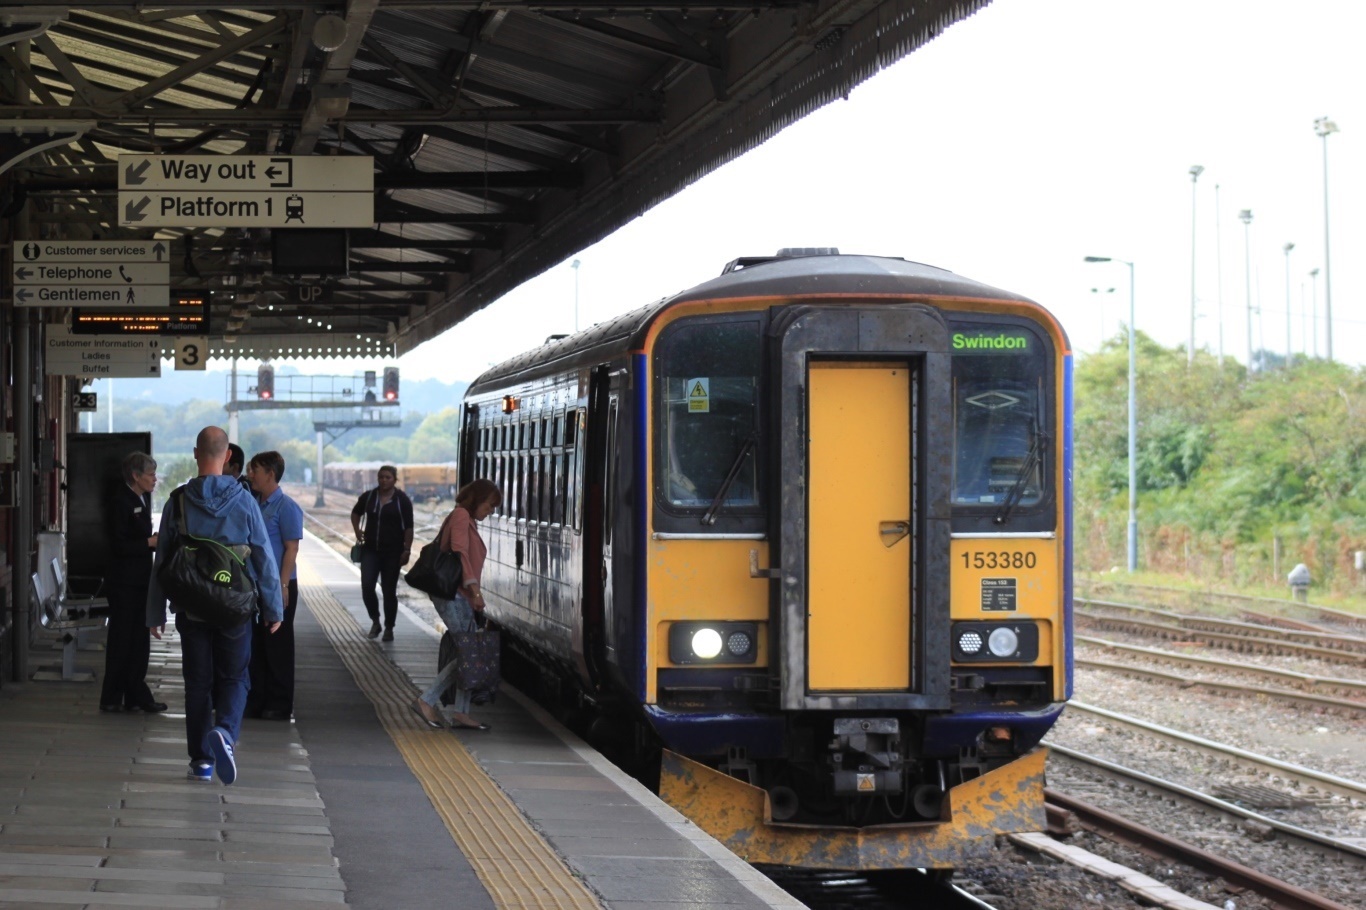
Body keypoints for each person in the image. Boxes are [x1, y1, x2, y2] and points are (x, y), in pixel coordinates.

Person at [146, 427, 284, 786]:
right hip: (235, 607)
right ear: (226, 458)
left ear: (196, 453)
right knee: (236, 677)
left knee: (197, 684)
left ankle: (201, 763)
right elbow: (265, 560)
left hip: (191, 607)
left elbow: (162, 563)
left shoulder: (176, 500)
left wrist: (154, 611)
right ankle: (225, 731)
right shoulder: (244, 501)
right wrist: (273, 608)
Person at [410, 479, 501, 732]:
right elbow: (460, 554)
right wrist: (475, 590)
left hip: (461, 595)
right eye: (489, 505)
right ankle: (426, 700)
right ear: (477, 499)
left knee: (468, 649)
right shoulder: (461, 516)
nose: (490, 511)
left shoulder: (467, 519)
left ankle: (462, 713)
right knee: (467, 651)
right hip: (453, 594)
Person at [99, 451, 168, 714]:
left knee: (138, 638)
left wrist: (148, 540)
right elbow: (118, 544)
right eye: (150, 474)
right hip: (124, 582)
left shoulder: (141, 498)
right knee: (122, 639)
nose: (155, 479)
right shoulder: (120, 502)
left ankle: (135, 693)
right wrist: (148, 543)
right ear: (135, 476)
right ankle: (113, 696)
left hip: (139, 579)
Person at [244, 451, 304, 721]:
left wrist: (282, 585)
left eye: (254, 470)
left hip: (279, 584)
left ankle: (280, 704)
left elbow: (291, 548)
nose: (249, 475)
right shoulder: (254, 503)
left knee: (277, 645)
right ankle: (256, 699)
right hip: (255, 584)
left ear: (270, 473)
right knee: (256, 644)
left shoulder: (287, 507)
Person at [350, 465, 413, 641]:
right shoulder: (369, 497)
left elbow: (409, 527)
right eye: (381, 477)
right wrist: (357, 530)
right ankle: (375, 620)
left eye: (387, 477)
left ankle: (389, 627)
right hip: (370, 550)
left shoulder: (402, 500)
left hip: (393, 552)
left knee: (389, 591)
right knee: (367, 586)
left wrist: (407, 549)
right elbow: (355, 513)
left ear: (395, 480)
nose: (383, 480)